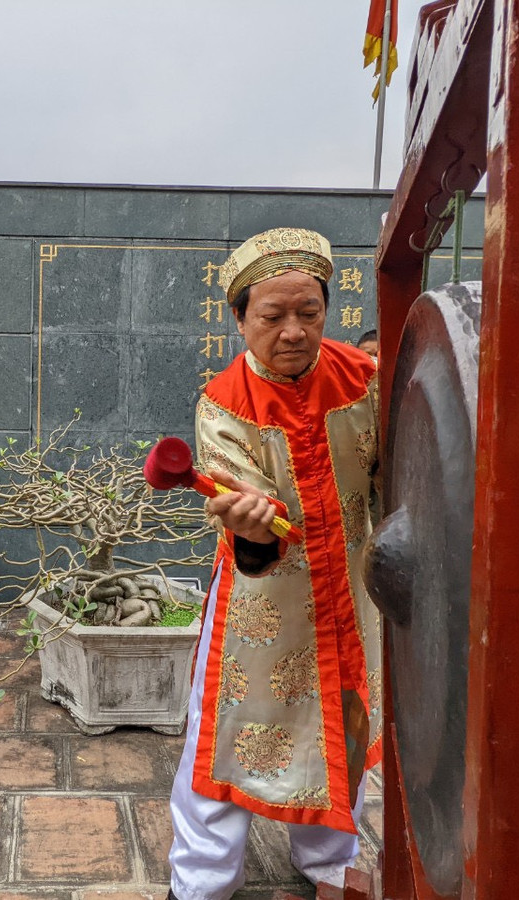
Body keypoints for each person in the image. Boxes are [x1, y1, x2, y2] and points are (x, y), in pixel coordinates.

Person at [167, 228, 382, 896]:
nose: (293, 331)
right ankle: (200, 880)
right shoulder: (224, 402)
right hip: (264, 609)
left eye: (308, 313)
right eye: (271, 316)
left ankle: (330, 864)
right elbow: (238, 498)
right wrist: (249, 522)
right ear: (239, 320)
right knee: (228, 742)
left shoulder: (364, 379)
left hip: (354, 592)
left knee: (345, 726)